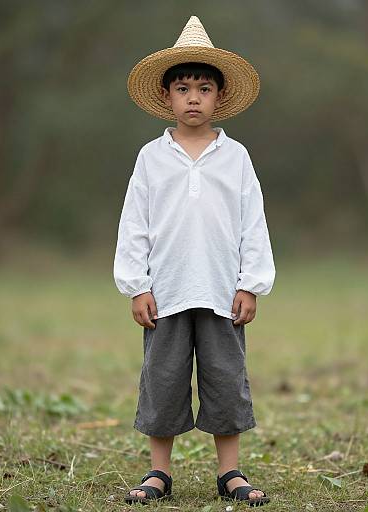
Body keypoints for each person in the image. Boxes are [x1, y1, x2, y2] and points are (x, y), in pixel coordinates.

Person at [114, 15, 275, 507]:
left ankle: (230, 473)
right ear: (167, 96)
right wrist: (137, 284)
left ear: (219, 98)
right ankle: (158, 472)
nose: (193, 97)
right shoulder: (151, 157)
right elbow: (134, 224)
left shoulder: (236, 157)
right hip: (167, 290)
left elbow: (253, 223)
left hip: (222, 289)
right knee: (162, 380)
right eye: (182, 88)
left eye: (204, 88)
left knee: (226, 380)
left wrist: (250, 283)